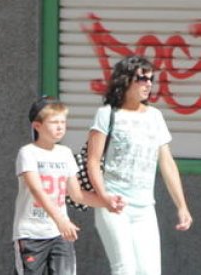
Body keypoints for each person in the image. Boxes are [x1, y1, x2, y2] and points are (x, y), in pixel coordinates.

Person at [85, 56, 192, 275]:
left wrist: (181, 205)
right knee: (125, 269)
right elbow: (93, 161)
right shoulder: (107, 114)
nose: (149, 84)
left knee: (150, 271)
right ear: (126, 80)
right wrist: (104, 196)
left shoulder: (155, 116)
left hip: (145, 208)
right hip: (115, 205)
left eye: (151, 79)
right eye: (142, 78)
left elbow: (167, 163)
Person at [13, 96, 122, 274]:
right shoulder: (27, 153)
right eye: (54, 122)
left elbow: (76, 194)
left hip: (59, 234)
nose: (60, 126)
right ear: (37, 126)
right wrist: (61, 220)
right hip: (31, 234)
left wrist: (107, 201)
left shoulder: (65, 153)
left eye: (63, 122)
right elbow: (37, 190)